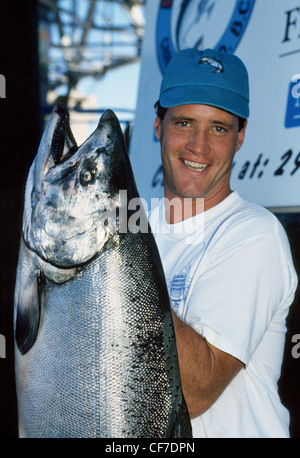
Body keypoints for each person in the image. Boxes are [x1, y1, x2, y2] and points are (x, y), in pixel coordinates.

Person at [148, 48, 298, 438]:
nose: (199, 146)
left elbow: (196, 392)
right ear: (158, 125)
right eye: (184, 122)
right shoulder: (133, 227)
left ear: (240, 137)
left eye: (218, 127)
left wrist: (117, 270)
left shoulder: (254, 233)